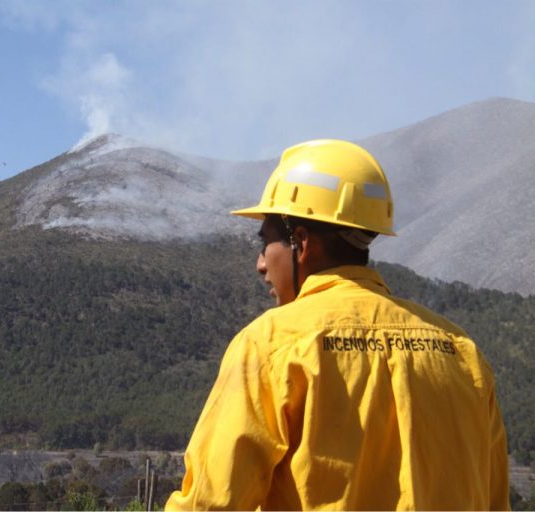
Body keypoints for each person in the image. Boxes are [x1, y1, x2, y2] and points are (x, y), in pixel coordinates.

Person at [165, 139, 509, 510]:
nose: (260, 264)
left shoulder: (270, 345)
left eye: (265, 244)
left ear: (300, 241)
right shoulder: (462, 351)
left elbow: (211, 502)